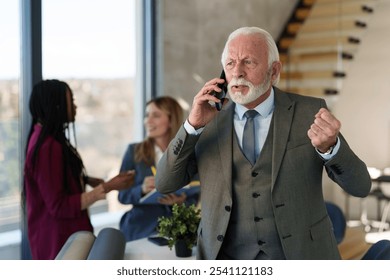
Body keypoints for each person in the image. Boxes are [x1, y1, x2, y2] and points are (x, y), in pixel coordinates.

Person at [155, 26, 371, 260]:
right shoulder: (206, 122)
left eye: (248, 62)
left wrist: (330, 148)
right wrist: (192, 126)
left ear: (274, 71)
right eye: (230, 64)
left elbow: (360, 186)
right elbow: (165, 183)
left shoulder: (309, 112)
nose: (237, 72)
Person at [23, 79, 135, 260]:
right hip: (60, 242)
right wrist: (108, 187)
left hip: (58, 238)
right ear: (56, 105)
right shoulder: (48, 147)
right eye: (71, 101)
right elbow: (59, 206)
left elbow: (53, 181)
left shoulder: (44, 138)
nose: (75, 107)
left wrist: (87, 180)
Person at [118, 96, 200, 242]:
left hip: (175, 232)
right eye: (147, 115)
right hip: (140, 230)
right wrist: (141, 189)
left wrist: (180, 202)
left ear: (171, 120)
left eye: (155, 115)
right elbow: (122, 196)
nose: (148, 121)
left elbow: (195, 193)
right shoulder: (134, 151)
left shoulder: (188, 154)